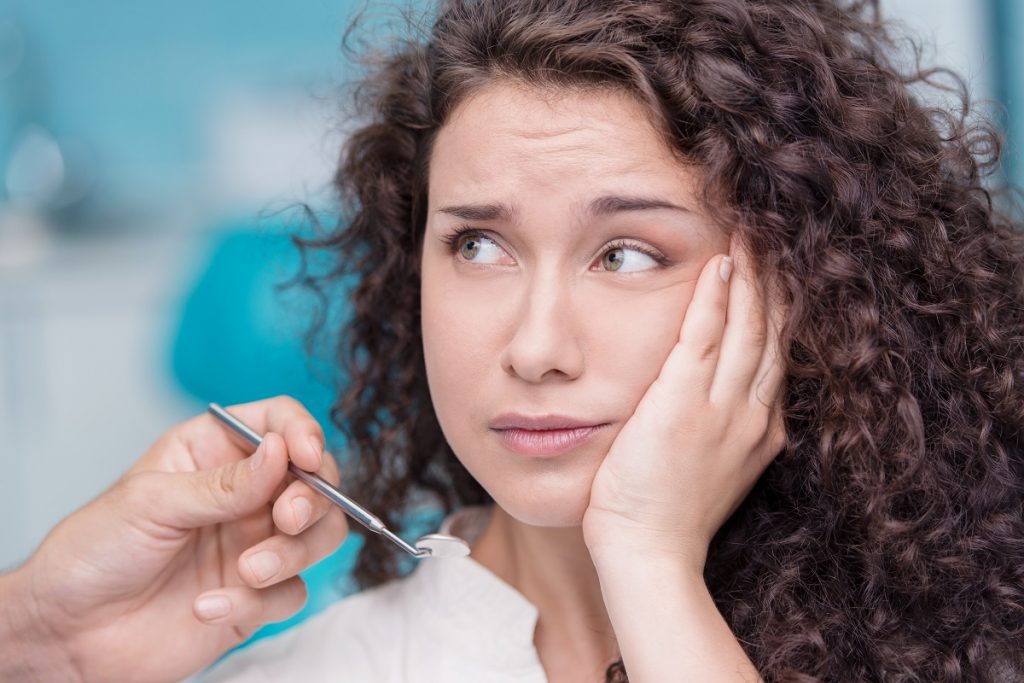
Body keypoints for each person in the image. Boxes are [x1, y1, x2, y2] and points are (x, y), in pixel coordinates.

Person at [2, 0, 1022, 680]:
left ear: (800, 285)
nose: (534, 347)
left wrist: (650, 564)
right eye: (478, 244)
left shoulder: (963, 637)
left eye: (625, 254)